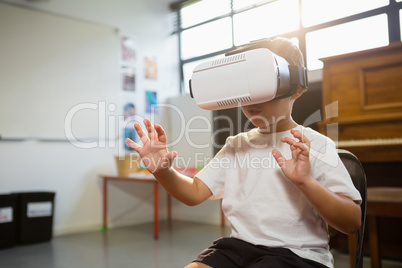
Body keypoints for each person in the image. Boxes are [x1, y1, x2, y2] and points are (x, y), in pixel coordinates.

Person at [125, 37, 362, 268]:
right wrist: (162, 171)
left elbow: (352, 222)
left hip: (297, 255)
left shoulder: (315, 145)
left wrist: (306, 182)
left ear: (296, 89)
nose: (251, 100)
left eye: (262, 84)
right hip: (238, 249)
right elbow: (195, 193)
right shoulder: (235, 145)